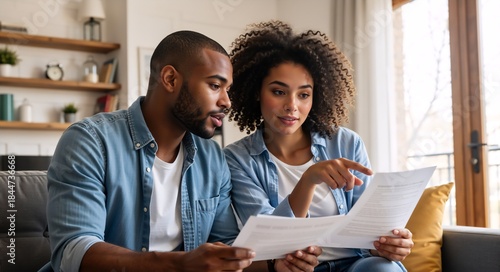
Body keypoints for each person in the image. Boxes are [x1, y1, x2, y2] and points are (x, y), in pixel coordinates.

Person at [42, 30, 321, 272]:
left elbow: (224, 252)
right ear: (170, 79)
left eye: (228, 90)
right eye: (214, 86)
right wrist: (179, 264)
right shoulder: (90, 141)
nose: (226, 102)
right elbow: (73, 252)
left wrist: (275, 265)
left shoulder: (212, 159)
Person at [224, 20, 414, 272]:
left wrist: (386, 243)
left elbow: (368, 227)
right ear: (256, 91)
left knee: (383, 268)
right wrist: (308, 180)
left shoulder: (346, 143)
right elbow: (269, 241)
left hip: (355, 265)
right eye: (279, 92)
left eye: (303, 94)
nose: (292, 105)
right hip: (295, 269)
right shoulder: (237, 159)